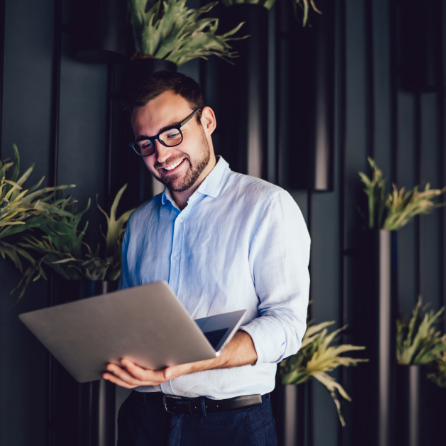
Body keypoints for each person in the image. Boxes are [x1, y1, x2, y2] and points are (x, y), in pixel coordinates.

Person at [102, 71, 311, 446]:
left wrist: (199, 359)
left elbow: (287, 326)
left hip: (230, 424)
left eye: (172, 133)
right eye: (146, 144)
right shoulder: (140, 222)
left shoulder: (267, 205)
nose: (161, 155)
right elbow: (133, 321)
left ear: (207, 121)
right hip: (143, 421)